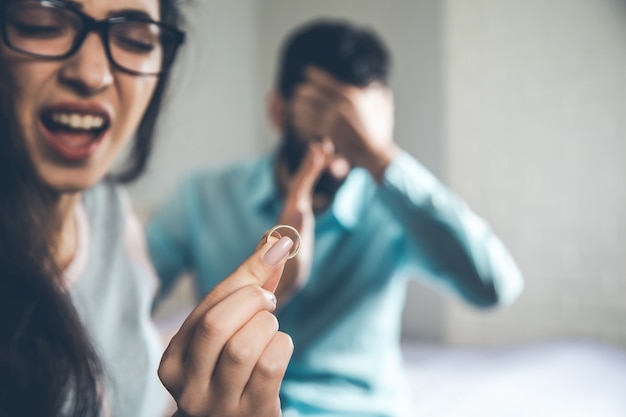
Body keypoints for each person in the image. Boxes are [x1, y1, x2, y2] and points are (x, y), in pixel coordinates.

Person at [146, 18, 525, 417]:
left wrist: (381, 157)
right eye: (326, 113)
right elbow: (121, 306)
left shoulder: (396, 210)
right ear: (279, 110)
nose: (343, 142)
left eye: (358, 123)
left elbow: (495, 287)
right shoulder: (204, 197)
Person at [0, 1, 293, 416]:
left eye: (135, 40)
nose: (91, 74)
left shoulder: (111, 213)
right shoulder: (200, 194)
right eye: (43, 24)